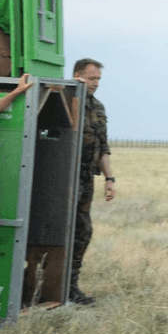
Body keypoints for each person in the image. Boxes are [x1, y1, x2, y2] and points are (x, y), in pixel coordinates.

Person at [71, 58, 115, 305]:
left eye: (98, 79)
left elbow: (103, 147)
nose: (96, 83)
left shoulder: (98, 107)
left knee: (83, 232)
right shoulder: (66, 97)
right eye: (91, 78)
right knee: (60, 231)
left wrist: (110, 178)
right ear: (78, 76)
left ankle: (70, 286)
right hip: (63, 180)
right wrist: (71, 88)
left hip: (86, 180)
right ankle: (43, 284)